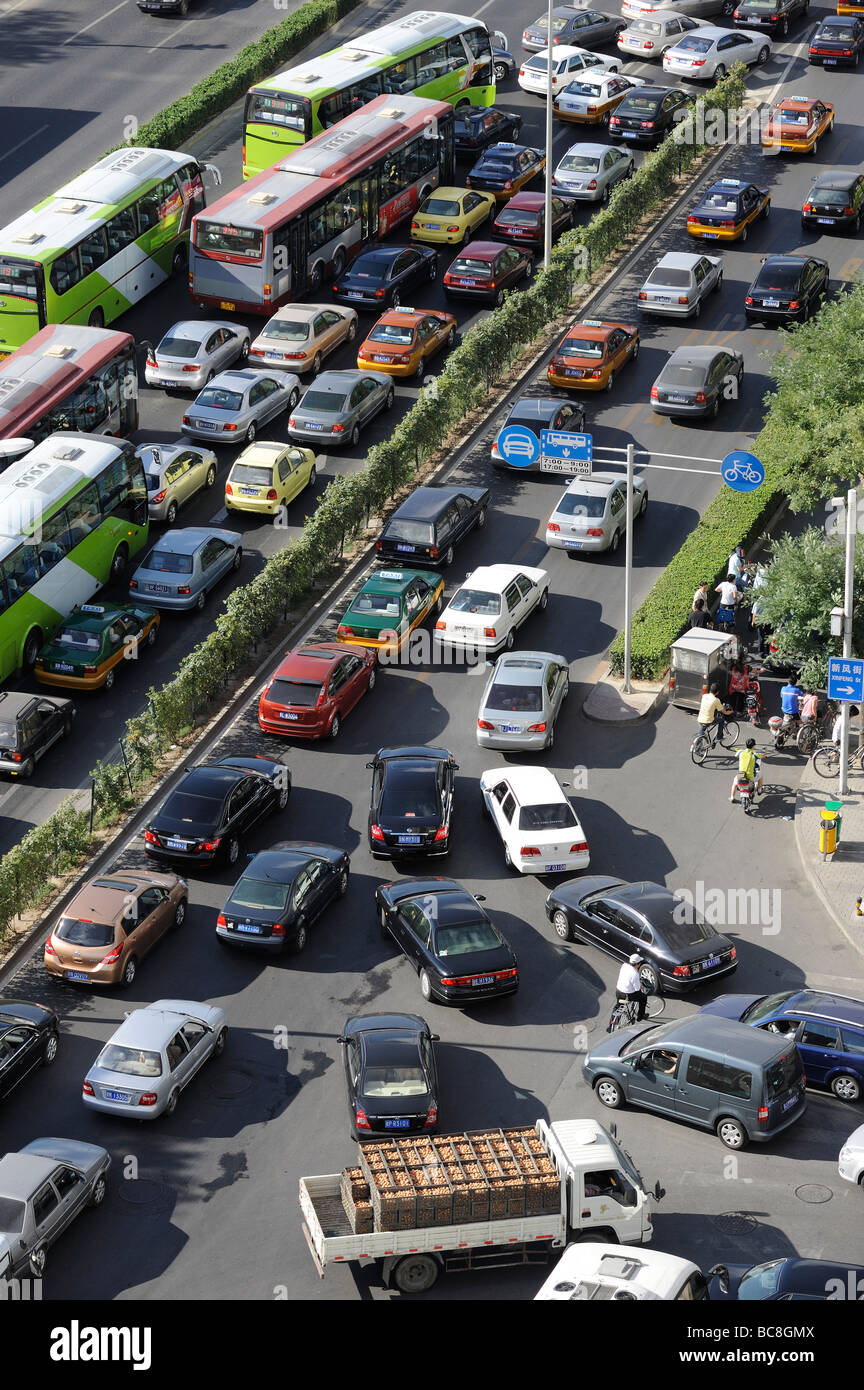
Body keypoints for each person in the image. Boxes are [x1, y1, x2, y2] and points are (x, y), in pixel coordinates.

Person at [614, 954, 646, 1023]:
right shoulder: (635, 974)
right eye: (640, 963)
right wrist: (641, 985)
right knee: (643, 998)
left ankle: (612, 1025)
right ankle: (640, 1017)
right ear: (637, 964)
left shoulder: (624, 965)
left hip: (618, 991)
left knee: (618, 1007)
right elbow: (637, 989)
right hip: (627, 995)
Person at [731, 737, 762, 802]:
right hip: (751, 776)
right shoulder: (754, 754)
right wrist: (764, 755)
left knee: (735, 782)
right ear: (753, 746)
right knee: (760, 776)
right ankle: (759, 790)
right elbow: (762, 756)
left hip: (741, 775)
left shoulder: (741, 752)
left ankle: (732, 797)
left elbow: (735, 756)